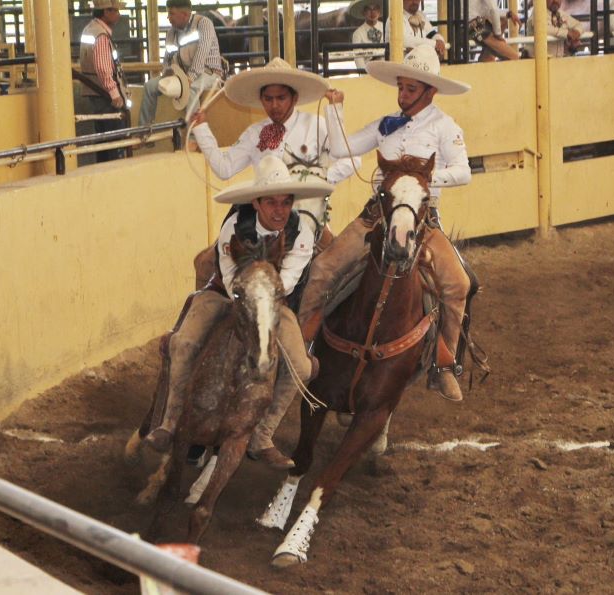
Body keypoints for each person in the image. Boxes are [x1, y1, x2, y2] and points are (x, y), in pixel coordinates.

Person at [137, 156, 333, 469]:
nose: (280, 210)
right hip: (224, 296)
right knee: (183, 342)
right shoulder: (233, 226)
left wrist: (262, 301)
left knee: (302, 365)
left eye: (286, 202)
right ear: (256, 203)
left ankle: (262, 435)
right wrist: (249, 298)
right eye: (272, 202)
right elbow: (229, 279)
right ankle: (170, 423)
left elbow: (285, 282)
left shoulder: (303, 235)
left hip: (272, 301)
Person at [312, 44, 474, 402]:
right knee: (323, 269)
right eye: (401, 87)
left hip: (422, 221)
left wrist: (422, 182)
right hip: (377, 216)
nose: (402, 95)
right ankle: (305, 350)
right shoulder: (386, 125)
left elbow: (463, 172)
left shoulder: (446, 127)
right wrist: (336, 108)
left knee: (458, 283)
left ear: (429, 91)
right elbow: (341, 149)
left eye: (410, 89)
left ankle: (442, 364)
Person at [189, 58, 359, 285]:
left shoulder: (315, 125)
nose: (274, 105)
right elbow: (225, 168)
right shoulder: (254, 133)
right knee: (209, 264)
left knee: (339, 274)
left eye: (281, 98)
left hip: (308, 217)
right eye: (268, 99)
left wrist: (318, 179)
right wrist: (201, 129)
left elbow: (352, 159)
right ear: (261, 100)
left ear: (294, 98)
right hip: (261, 216)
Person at [138, 0, 223, 126]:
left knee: (190, 89)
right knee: (150, 86)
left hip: (209, 74)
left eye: (171, 14)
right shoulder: (171, 32)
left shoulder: (203, 24)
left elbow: (201, 55)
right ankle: (144, 131)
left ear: (184, 14)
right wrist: (167, 74)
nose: (168, 17)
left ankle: (194, 135)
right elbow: (167, 59)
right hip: (182, 75)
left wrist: (189, 78)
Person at [79, 0, 130, 162]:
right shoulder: (101, 35)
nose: (118, 15)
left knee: (102, 138)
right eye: (115, 11)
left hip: (94, 92)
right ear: (106, 11)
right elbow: (102, 67)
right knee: (113, 140)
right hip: (104, 95)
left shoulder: (90, 29)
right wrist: (114, 93)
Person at [349, 0, 385, 69]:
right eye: (369, 9)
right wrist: (364, 73)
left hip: (386, 68)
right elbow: (358, 58)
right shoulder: (358, 33)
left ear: (379, 11)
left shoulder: (386, 28)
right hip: (369, 69)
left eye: (375, 9)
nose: (372, 12)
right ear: (363, 13)